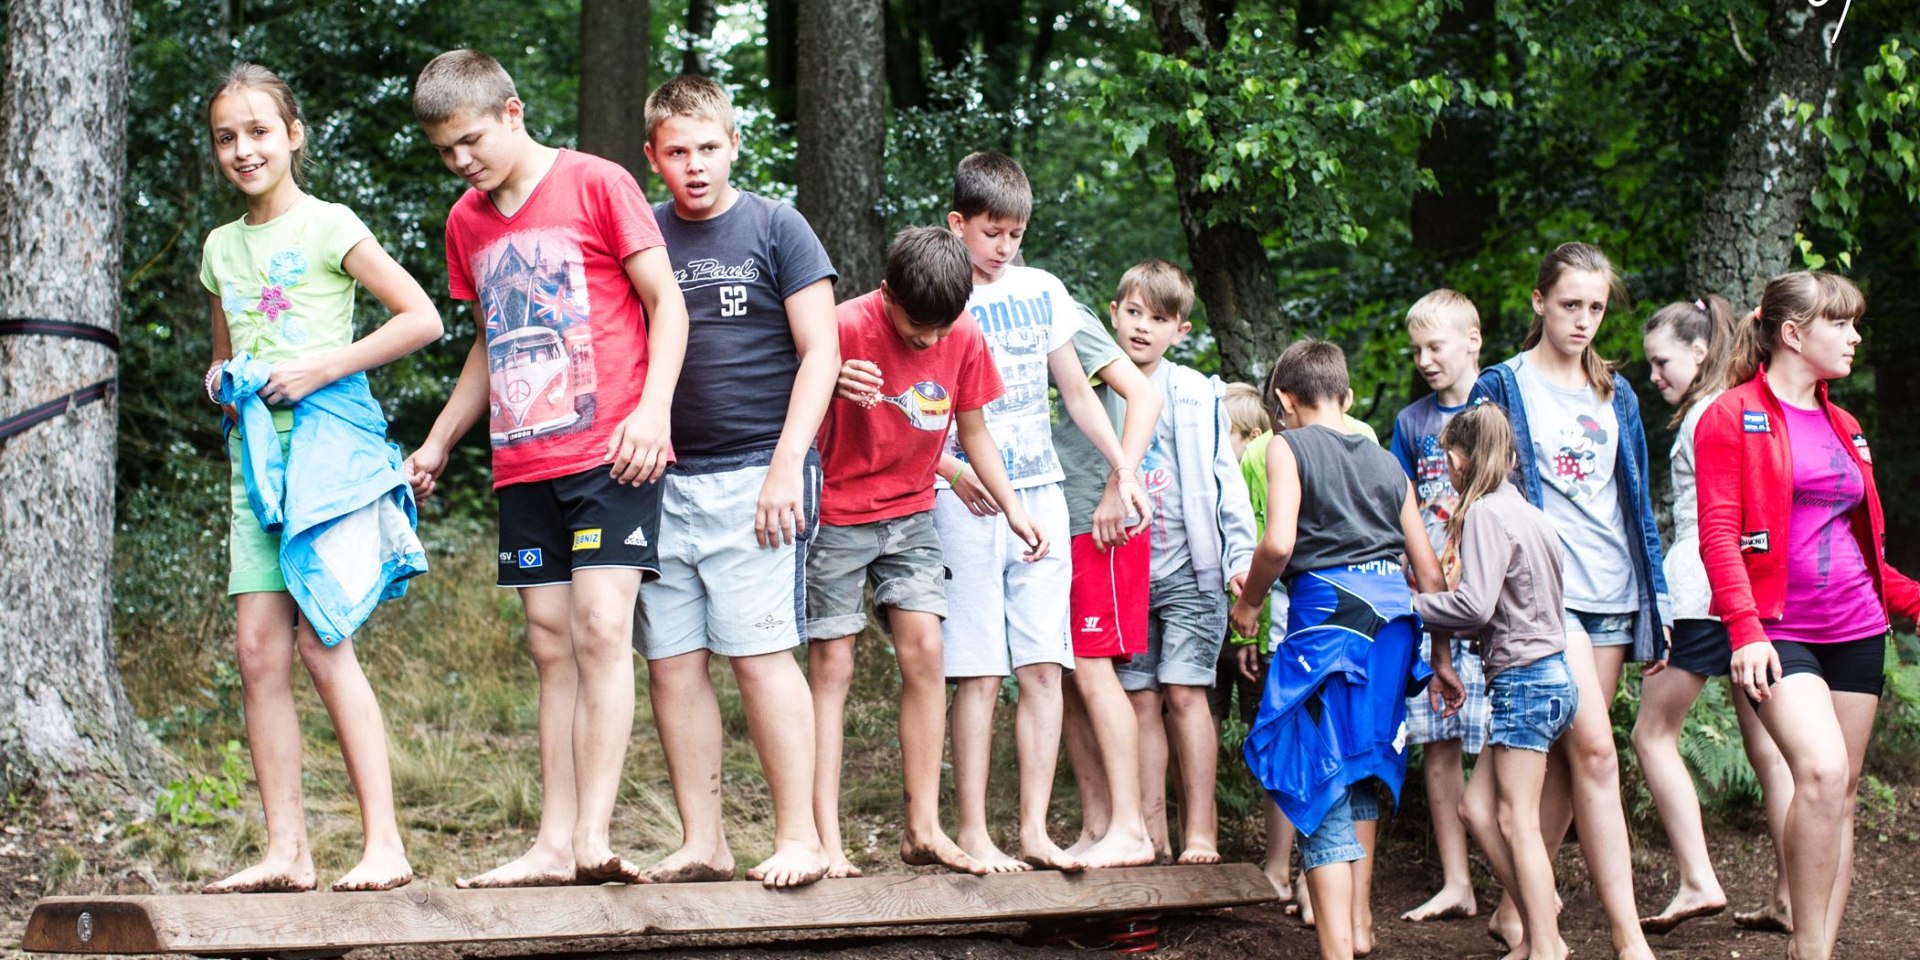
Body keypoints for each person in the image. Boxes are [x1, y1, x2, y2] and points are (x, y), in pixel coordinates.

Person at [403, 49, 690, 887]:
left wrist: (654, 409)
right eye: (444, 150)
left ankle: (595, 838)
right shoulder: (467, 222)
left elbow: (665, 302)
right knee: (549, 644)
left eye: (470, 140)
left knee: (604, 629)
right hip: (524, 463)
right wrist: (441, 439)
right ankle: (553, 844)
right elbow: (490, 344)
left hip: (613, 451)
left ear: (513, 111)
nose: (461, 161)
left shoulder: (598, 183)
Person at [198, 63, 441, 894]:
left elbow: (422, 317)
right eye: (227, 136)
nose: (244, 149)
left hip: (328, 464)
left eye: (260, 131)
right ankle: (287, 852)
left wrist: (317, 370)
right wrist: (219, 379)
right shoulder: (219, 248)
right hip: (255, 473)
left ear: (294, 136)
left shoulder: (329, 224)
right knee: (259, 651)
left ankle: (386, 847)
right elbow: (226, 350)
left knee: (322, 641)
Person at [631, 75, 834, 889]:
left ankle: (799, 838)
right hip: (660, 479)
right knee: (673, 663)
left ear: (734, 145)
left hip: (759, 474)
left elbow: (822, 351)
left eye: (708, 148)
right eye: (676, 152)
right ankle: (703, 839)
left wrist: (788, 464)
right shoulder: (642, 235)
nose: (695, 166)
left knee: (758, 657)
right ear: (653, 159)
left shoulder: (776, 225)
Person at [930, 152, 1154, 873]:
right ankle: (973, 831)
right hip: (963, 497)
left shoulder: (1044, 289)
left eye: (1016, 232)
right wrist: (951, 468)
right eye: (992, 231)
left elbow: (1081, 393)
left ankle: (1032, 830)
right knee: (976, 672)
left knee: (1043, 668)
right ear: (957, 223)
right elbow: (913, 404)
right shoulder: (938, 292)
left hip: (1042, 494)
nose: (1004, 246)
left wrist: (1122, 468)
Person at [812, 226, 1047, 878]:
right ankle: (825, 840)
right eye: (918, 327)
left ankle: (923, 829)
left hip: (910, 512)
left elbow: (974, 430)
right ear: (886, 294)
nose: (930, 343)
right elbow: (784, 403)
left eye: (943, 329)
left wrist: (1016, 509)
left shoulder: (961, 332)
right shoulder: (842, 325)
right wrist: (828, 378)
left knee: (927, 651)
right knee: (833, 663)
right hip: (835, 513)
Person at [1698, 271, 1920, 960]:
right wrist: (1744, 628)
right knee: (1819, 773)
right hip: (1777, 630)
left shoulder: (1845, 426)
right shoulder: (1730, 416)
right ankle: (1811, 951)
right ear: (1793, 333)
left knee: (1840, 794)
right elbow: (1719, 534)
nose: (1855, 336)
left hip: (1856, 628)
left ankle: (1812, 946)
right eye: (1842, 323)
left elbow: (1860, 552)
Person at [1469, 242, 1662, 960]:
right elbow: (1480, 493)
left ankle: (1561, 925)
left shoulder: (1618, 392)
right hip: (1539, 598)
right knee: (1581, 755)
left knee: (1578, 754)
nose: (1583, 320)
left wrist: (1654, 607)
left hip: (1609, 596)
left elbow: (1634, 502)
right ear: (1539, 302)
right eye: (1571, 304)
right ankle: (1574, 924)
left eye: (1596, 308)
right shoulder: (1503, 386)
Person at [1233, 339, 1443, 960]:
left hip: (1331, 624)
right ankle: (1358, 926)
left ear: (1283, 402)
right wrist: (1446, 660)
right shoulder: (1386, 462)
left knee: (1315, 773)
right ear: (1348, 399)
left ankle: (1336, 951)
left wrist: (1248, 603)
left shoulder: (1285, 446)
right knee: (1358, 771)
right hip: (1395, 630)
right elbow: (1427, 573)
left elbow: (1277, 543)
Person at [1630, 294, 1793, 934]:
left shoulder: (1706, 416)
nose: (1654, 376)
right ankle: (1789, 895)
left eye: (1661, 361)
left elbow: (1714, 523)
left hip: (1701, 597)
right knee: (1770, 752)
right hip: (1746, 596)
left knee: (1651, 735)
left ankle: (1698, 879)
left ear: (1699, 352)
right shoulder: (1746, 409)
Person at [1102, 260, 1257, 866]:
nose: (1143, 327)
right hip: (1124, 569)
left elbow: (1227, 485)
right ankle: (1148, 832)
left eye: (1159, 319)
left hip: (1191, 569)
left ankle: (1200, 831)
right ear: (1113, 314)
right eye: (1134, 313)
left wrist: (1240, 558)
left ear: (1180, 331)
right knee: (1139, 699)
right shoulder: (1094, 385)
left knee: (1187, 694)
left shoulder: (1198, 391)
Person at [1417, 402, 1579, 960]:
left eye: (1447, 461)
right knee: (1477, 810)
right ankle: (1540, 918)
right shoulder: (1531, 512)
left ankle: (1546, 944)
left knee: (1514, 818)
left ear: (1459, 460)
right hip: (1551, 677)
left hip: (1526, 682)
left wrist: (1410, 604)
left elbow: (1474, 606)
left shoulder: (1485, 513)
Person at [1047, 299, 1165, 872]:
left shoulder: (1056, 305)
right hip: (1045, 519)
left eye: (1012, 233)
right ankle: (1098, 826)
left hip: (1101, 519)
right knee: (1066, 676)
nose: (1002, 245)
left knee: (1094, 669)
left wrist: (1121, 483)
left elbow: (1143, 393)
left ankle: (1132, 828)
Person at [1387, 289, 1491, 924]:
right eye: (1417, 349)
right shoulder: (1411, 422)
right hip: (1430, 597)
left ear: (1473, 340)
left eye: (1436, 345)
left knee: (1505, 738)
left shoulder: (1502, 403)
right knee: (1438, 739)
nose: (1424, 359)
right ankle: (1457, 880)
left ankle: (1514, 875)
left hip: (1493, 597)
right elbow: (1401, 507)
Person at [1212, 381, 1299, 904]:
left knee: (1277, 746)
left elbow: (1265, 553)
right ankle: (1284, 869)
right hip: (1256, 628)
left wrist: (1250, 628)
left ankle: (1279, 867)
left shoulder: (1260, 464)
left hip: (1266, 630)